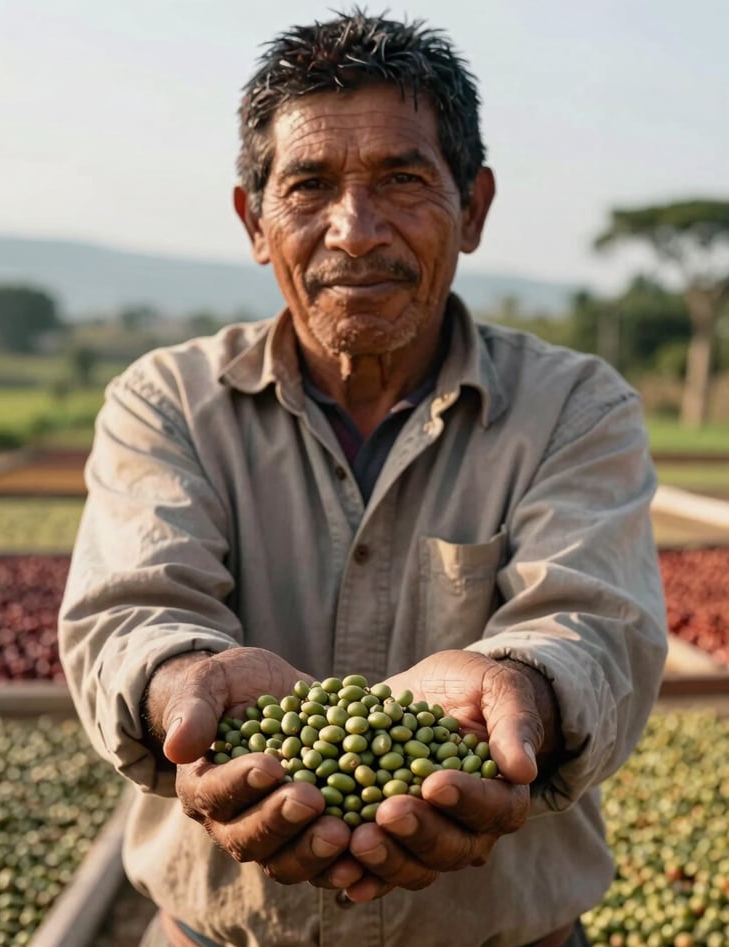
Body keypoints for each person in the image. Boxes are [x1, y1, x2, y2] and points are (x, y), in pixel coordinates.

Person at [58, 10, 668, 947]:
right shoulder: (167, 401)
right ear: (253, 220)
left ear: (474, 207)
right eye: (309, 186)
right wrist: (183, 682)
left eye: (403, 179)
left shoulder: (575, 408)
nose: (355, 229)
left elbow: (595, 623)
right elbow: (131, 608)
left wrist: (523, 690)